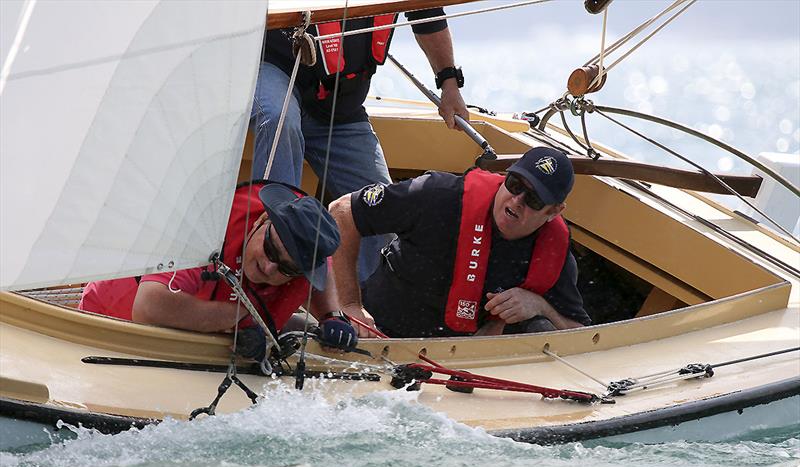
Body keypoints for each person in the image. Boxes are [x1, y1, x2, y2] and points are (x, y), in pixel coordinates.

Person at [252, 8, 468, 280]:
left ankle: (371, 309)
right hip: (277, 72)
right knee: (277, 119)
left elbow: (428, 13)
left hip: (340, 107)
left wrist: (449, 85)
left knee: (380, 207)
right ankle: (265, 263)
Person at [328, 146, 591, 338]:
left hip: (457, 362)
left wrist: (540, 306)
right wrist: (351, 305)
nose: (517, 201)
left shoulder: (553, 255)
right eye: (514, 184)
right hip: (373, 332)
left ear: (554, 212)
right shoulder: (437, 195)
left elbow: (582, 336)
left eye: (533, 200)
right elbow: (343, 211)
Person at [79, 182, 358, 352]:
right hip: (111, 324)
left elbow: (322, 268)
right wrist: (241, 318)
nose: (270, 267)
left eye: (286, 268)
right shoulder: (205, 231)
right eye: (270, 250)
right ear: (261, 221)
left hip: (203, 337)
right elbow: (149, 307)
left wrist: (331, 316)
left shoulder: (302, 256)